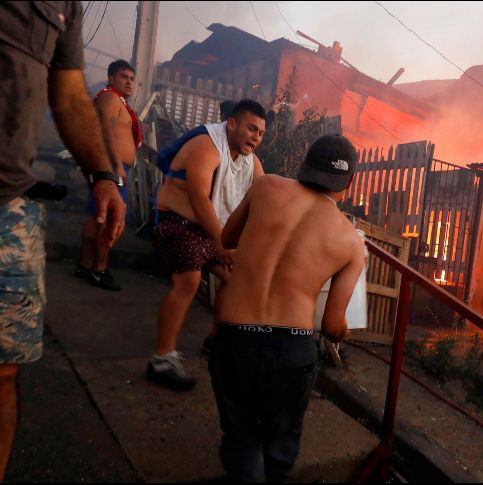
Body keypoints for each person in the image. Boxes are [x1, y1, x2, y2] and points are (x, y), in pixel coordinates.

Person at [0, 1, 126, 480]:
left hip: (7, 207)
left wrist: (103, 175)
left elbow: (69, 96)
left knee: (4, 370)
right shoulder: (111, 100)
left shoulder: (64, 5)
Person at [209, 133, 365, 482]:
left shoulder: (267, 187)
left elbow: (227, 239)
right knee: (280, 451)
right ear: (350, 182)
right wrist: (343, 331)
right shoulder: (351, 242)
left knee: (240, 440)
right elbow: (332, 326)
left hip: (235, 338)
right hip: (291, 353)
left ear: (304, 164)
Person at [148, 99, 266, 391]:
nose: (256, 137)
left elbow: (266, 198)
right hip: (176, 221)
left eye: (261, 133)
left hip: (210, 230)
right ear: (232, 124)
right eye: (252, 128)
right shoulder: (207, 145)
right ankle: (161, 359)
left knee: (236, 278)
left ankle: (216, 340)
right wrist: (222, 243)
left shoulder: (251, 162)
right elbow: (199, 197)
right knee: (188, 280)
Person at [75, 59, 142, 291]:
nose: (129, 82)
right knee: (110, 220)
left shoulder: (117, 101)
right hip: (112, 168)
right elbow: (105, 130)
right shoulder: (111, 98)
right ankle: (99, 269)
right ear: (111, 78)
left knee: (98, 217)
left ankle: (85, 265)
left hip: (111, 167)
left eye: (132, 78)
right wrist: (116, 165)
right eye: (124, 77)